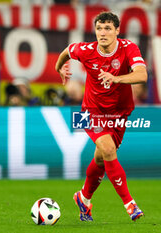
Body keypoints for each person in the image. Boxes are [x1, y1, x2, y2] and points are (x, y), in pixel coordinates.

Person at [55, 12, 147, 221]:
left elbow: (141, 75)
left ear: (117, 31)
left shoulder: (128, 48)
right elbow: (67, 51)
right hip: (90, 112)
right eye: (99, 28)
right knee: (108, 149)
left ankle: (83, 198)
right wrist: (58, 66)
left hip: (119, 114)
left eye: (107, 28)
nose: (102, 33)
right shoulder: (86, 50)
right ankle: (130, 204)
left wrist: (117, 78)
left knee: (100, 158)